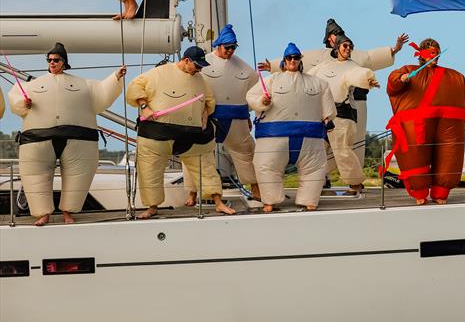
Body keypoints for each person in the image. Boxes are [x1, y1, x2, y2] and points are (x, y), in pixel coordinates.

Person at [265, 19, 408, 177]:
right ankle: (320, 176)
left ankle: (354, 178)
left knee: (352, 144)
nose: (340, 39)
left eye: (341, 35)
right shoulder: (319, 58)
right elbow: (294, 59)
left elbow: (372, 58)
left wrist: (394, 49)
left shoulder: (356, 57)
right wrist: (272, 66)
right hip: (324, 107)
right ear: (328, 38)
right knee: (321, 144)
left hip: (353, 104)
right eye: (335, 35)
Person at [7, 43, 125, 226]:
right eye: (50, 60)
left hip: (78, 140)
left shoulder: (84, 85)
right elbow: (15, 97)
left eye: (56, 59)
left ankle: (68, 212)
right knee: (35, 177)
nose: (52, 62)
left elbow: (102, 93)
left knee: (78, 177)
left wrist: (116, 77)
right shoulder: (31, 86)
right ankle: (43, 214)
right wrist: (23, 103)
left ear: (64, 62)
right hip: (38, 139)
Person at [127, 46, 235, 219]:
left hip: (192, 136)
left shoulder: (200, 79)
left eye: (201, 67)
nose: (199, 70)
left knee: (206, 167)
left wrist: (206, 113)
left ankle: (218, 202)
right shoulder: (158, 73)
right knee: (149, 170)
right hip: (158, 133)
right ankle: (152, 207)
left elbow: (210, 100)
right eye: (197, 66)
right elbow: (134, 87)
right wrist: (144, 107)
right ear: (186, 60)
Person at [246, 43, 336, 212]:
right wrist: (261, 102)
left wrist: (328, 119)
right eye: (289, 58)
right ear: (284, 60)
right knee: (266, 166)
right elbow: (250, 96)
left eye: (296, 58)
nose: (292, 61)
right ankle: (270, 200)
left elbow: (328, 109)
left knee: (315, 169)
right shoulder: (271, 81)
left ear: (300, 60)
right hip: (274, 137)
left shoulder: (319, 84)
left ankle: (309, 200)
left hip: (310, 138)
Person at [182, 24, 261, 206]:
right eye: (227, 47)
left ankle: (256, 189)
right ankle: (192, 193)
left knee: (246, 153)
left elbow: (255, 91)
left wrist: (249, 115)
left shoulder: (246, 69)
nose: (231, 51)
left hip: (236, 117)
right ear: (219, 45)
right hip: (207, 117)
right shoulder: (204, 63)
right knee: (194, 152)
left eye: (233, 47)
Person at [386, 39, 465, 205]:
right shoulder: (410, 71)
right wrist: (402, 78)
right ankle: (420, 191)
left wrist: (464, 116)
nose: (435, 56)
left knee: (449, 154)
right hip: (418, 123)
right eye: (432, 52)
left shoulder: (456, 76)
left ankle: (441, 192)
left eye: (437, 53)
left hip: (449, 122)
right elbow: (392, 84)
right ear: (421, 54)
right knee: (416, 155)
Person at [308, 35, 379, 194]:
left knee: (343, 151)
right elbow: (306, 78)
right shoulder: (324, 66)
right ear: (337, 47)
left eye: (350, 46)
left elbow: (359, 75)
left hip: (343, 116)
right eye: (345, 46)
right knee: (318, 151)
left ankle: (355, 184)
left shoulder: (352, 67)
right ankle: (314, 182)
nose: (348, 49)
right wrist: (280, 69)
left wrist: (369, 80)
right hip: (324, 117)